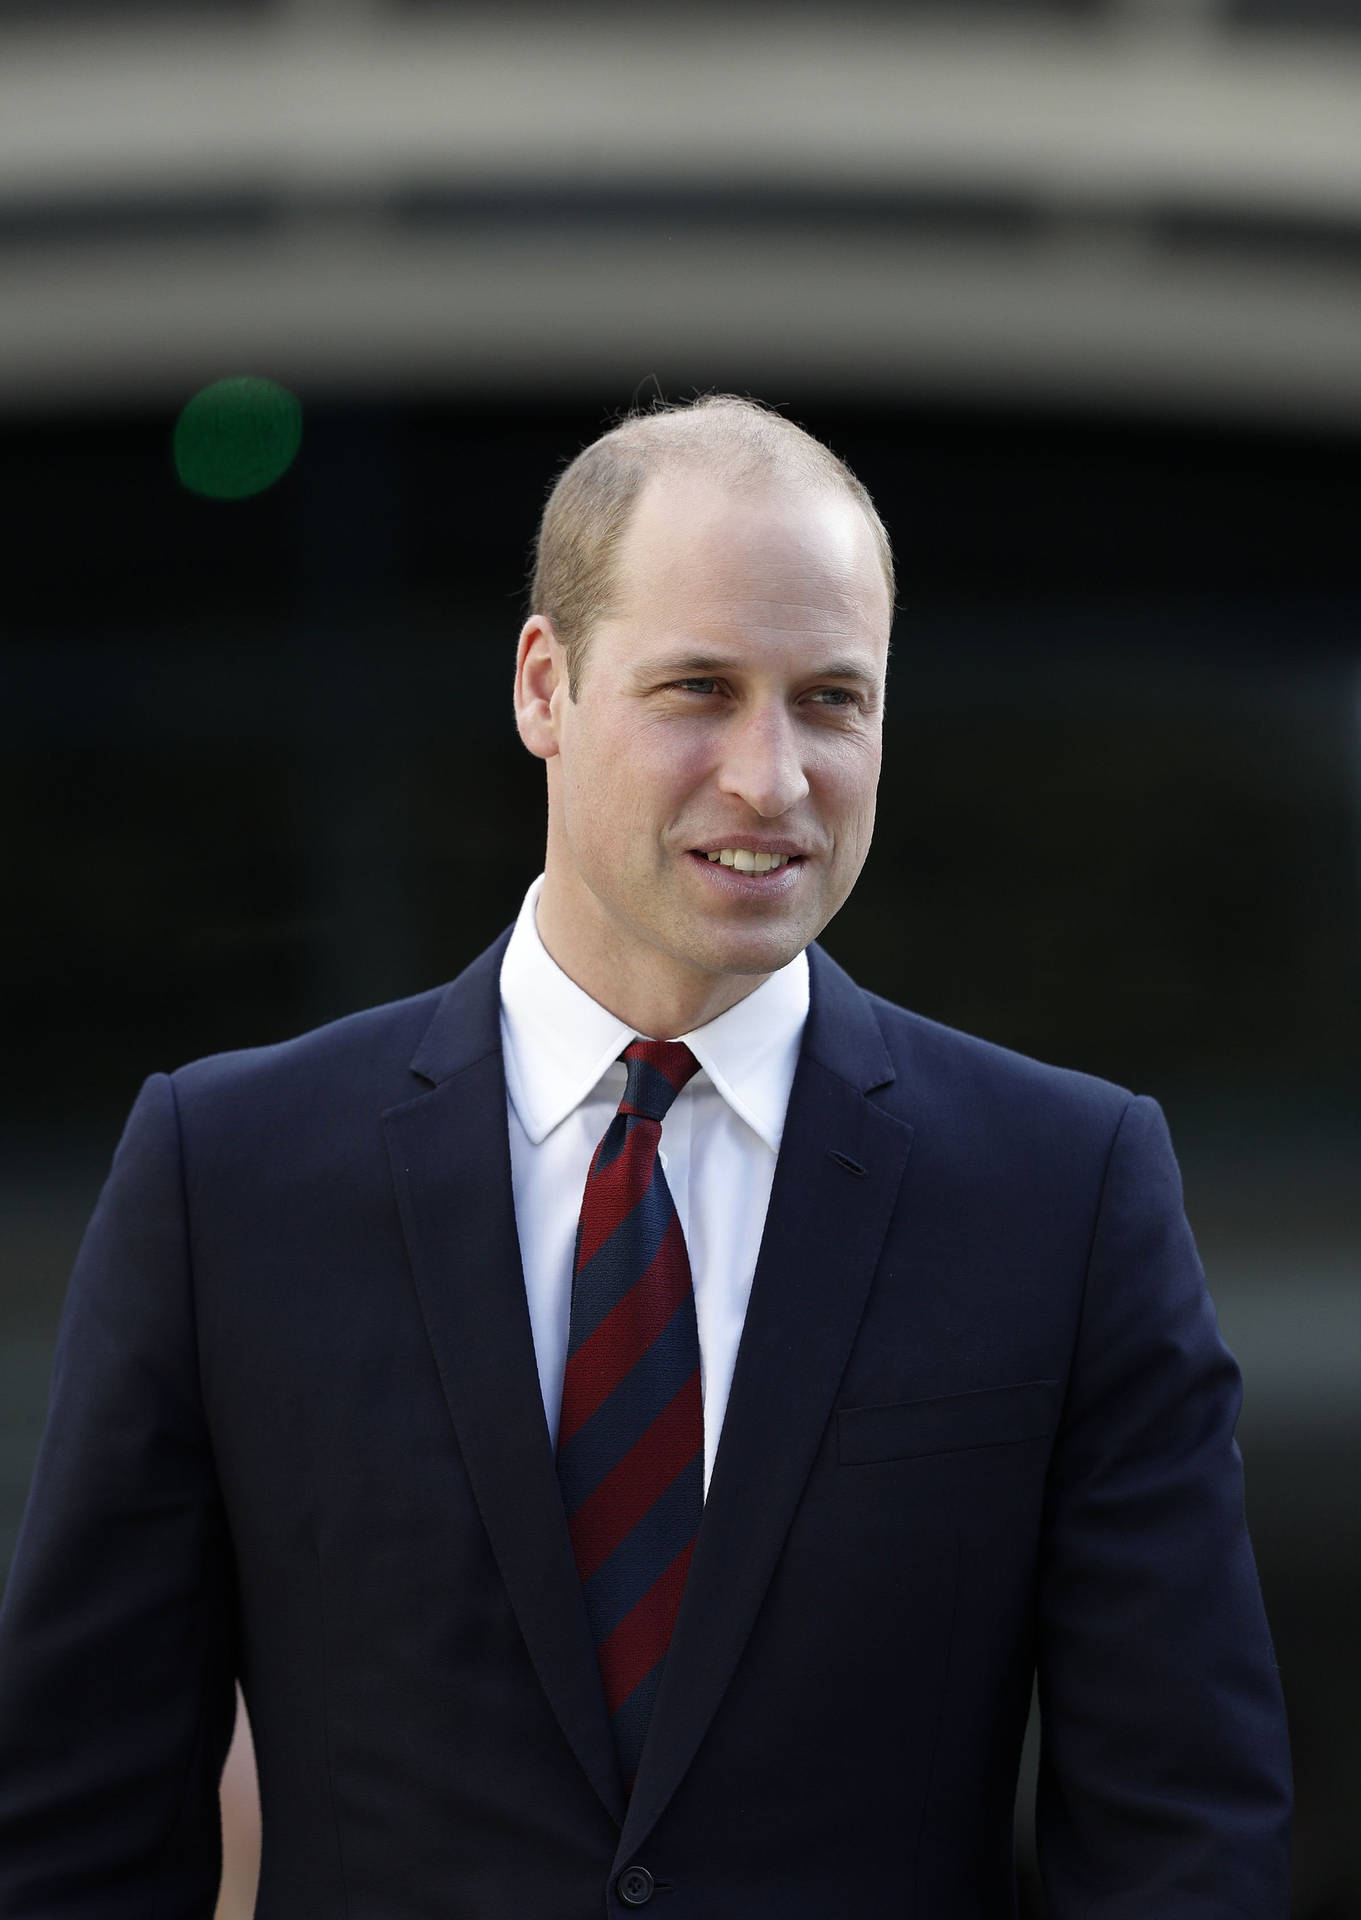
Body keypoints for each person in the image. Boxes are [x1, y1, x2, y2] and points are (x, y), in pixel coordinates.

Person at [0, 395, 1291, 1917]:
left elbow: (1178, 1841)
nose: (770, 776)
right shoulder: (226, 1177)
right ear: (544, 686)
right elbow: (76, 1840)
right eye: (697, 689)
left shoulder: (1066, 1191)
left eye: (830, 700)